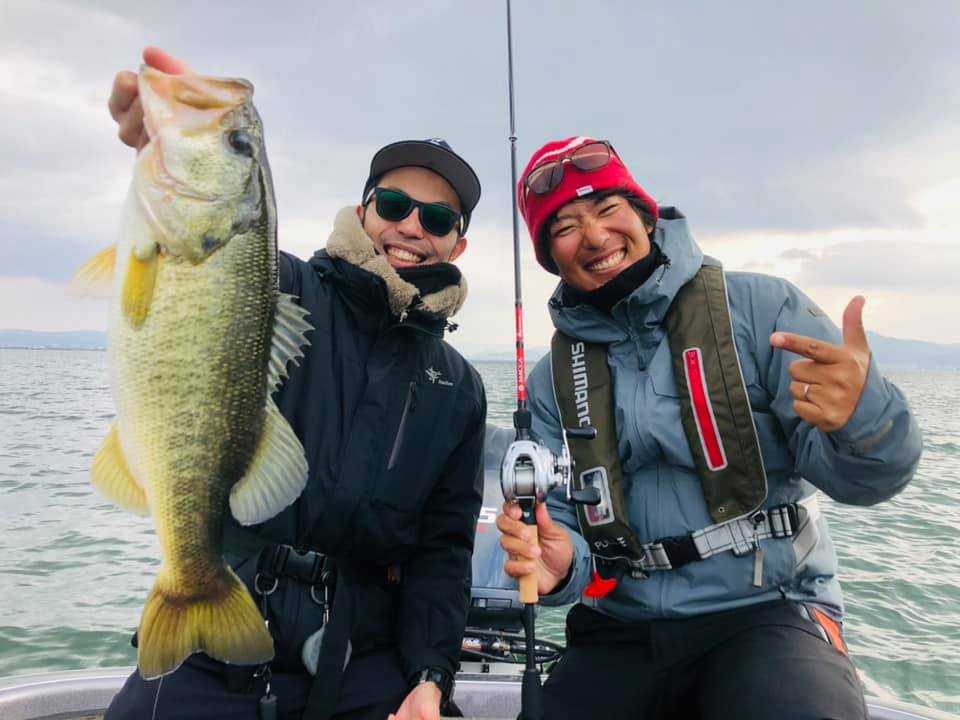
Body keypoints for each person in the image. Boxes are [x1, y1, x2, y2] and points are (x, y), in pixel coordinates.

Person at [104, 48, 486, 720]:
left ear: (458, 244)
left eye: (437, 219)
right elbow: (207, 247)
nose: (411, 226)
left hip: (362, 655)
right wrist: (164, 142)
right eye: (395, 203)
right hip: (223, 631)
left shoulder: (459, 386)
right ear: (365, 210)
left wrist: (431, 675)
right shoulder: (279, 286)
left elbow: (444, 549)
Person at [497, 136, 922, 720]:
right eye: (565, 227)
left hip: (767, 611)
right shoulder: (552, 378)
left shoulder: (764, 309)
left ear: (644, 215)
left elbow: (870, 482)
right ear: (551, 257)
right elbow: (564, 527)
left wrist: (864, 417)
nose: (594, 236)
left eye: (607, 208)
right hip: (618, 626)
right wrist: (561, 565)